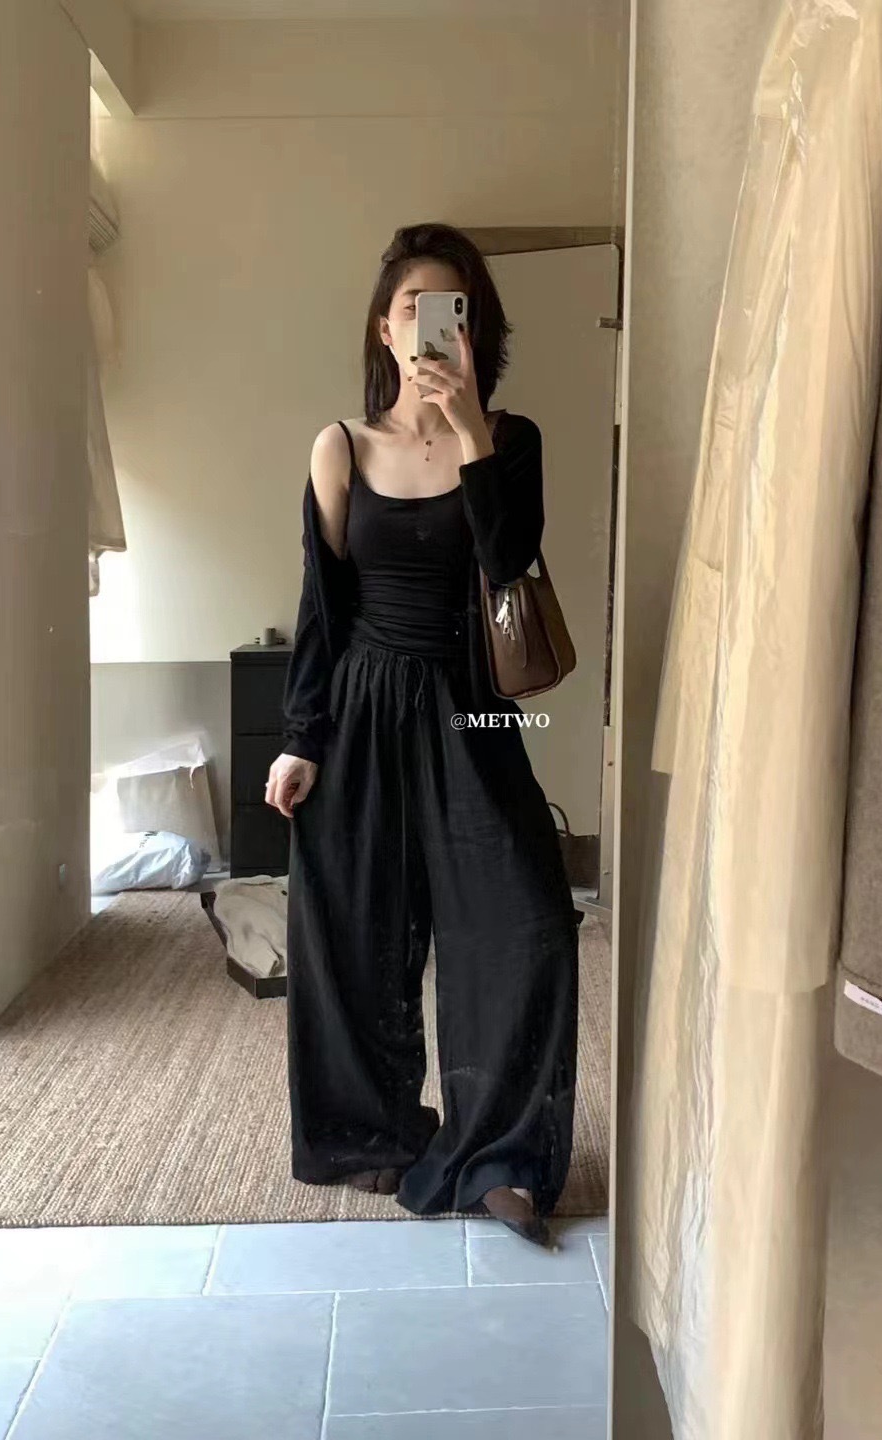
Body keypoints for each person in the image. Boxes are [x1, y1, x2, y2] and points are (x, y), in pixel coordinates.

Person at [265, 222, 580, 1248]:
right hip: (359, 711)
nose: (432, 327)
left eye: (454, 310)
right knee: (353, 929)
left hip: (470, 710)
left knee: (526, 922)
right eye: (414, 308)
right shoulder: (341, 448)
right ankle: (373, 1132)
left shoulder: (513, 440)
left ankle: (503, 1156)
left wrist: (472, 433)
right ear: (385, 329)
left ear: (476, 329)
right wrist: (301, 737)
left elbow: (509, 562)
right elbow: (323, 607)